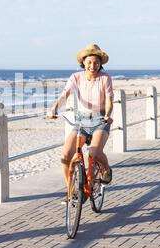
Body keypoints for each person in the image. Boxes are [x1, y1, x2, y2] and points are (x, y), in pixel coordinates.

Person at [47, 43, 114, 185]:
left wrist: (108, 115)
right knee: (65, 157)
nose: (92, 65)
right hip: (81, 122)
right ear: (83, 62)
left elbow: (109, 100)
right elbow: (65, 94)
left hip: (100, 120)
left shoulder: (105, 78)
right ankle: (73, 191)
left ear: (100, 63)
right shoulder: (76, 77)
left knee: (93, 152)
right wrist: (54, 108)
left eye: (96, 62)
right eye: (89, 62)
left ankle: (106, 169)